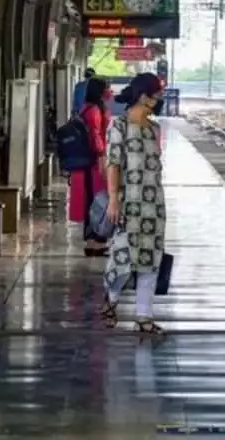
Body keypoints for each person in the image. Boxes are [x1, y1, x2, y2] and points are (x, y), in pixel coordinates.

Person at [100, 73, 167, 335]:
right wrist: (113, 199)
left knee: (151, 261)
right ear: (143, 97)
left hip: (154, 206)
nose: (159, 99)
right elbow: (113, 164)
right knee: (122, 258)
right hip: (129, 204)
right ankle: (111, 299)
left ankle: (144, 317)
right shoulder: (118, 126)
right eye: (156, 94)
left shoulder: (154, 129)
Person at [70, 76, 110, 257]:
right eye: (107, 88)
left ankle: (94, 240)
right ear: (100, 92)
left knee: (93, 200)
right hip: (94, 162)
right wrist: (102, 156)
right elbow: (95, 135)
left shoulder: (87, 107)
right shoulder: (94, 110)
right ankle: (94, 241)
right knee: (97, 201)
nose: (110, 92)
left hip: (90, 161)